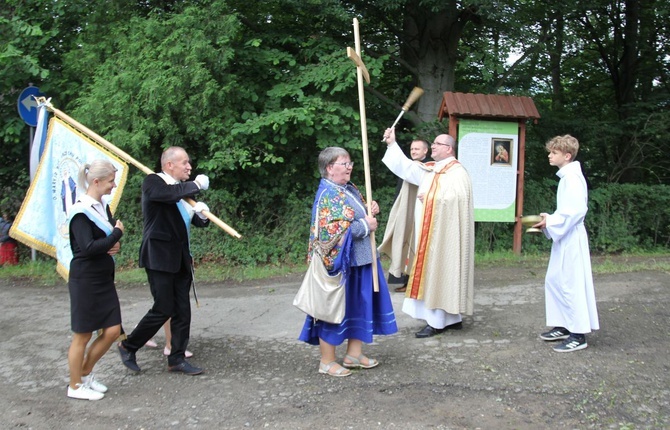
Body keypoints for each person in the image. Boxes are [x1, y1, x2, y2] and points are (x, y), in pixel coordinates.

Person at [298, 147, 398, 377]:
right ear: (330, 168)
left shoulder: (347, 189)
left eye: (350, 163)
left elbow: (354, 215)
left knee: (359, 306)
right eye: (344, 164)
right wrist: (366, 225)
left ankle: (353, 354)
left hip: (360, 260)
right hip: (338, 265)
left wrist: (369, 209)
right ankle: (327, 361)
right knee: (332, 309)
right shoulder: (328, 194)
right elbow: (330, 232)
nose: (350, 167)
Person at [118, 146, 210, 375]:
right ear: (170, 165)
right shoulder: (154, 182)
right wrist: (196, 185)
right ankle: (128, 345)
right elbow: (165, 196)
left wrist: (201, 214)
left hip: (181, 259)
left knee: (182, 310)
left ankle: (176, 358)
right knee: (163, 308)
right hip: (158, 256)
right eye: (185, 162)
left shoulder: (183, 192)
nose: (189, 167)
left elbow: (196, 222)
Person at [382, 128, 474, 338]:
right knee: (437, 273)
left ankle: (437, 322)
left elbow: (457, 199)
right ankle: (451, 319)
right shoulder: (432, 169)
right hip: (430, 234)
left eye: (437, 144)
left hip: (444, 237)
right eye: (433, 143)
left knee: (440, 272)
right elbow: (406, 168)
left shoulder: (457, 172)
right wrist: (392, 144)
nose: (432, 146)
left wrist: (432, 197)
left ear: (449, 148)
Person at [533, 134, 599, 352]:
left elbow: (577, 211)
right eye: (550, 152)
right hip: (565, 235)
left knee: (571, 283)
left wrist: (550, 221)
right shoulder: (566, 177)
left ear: (567, 156)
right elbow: (566, 212)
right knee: (555, 279)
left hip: (572, 237)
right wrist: (549, 218)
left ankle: (578, 334)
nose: (550, 156)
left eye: (554, 152)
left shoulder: (572, 178)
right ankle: (562, 324)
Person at [66, 160, 124, 400]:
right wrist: (117, 234)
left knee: (112, 330)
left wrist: (114, 243)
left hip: (103, 277)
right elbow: (89, 248)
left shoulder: (103, 206)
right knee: (83, 334)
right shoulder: (80, 212)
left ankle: (85, 373)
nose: (113, 185)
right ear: (96, 181)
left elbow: (106, 243)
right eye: (111, 181)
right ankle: (75, 386)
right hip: (85, 279)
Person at [380, 139, 432, 293]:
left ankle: (415, 282)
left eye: (417, 149)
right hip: (407, 212)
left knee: (415, 245)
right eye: (412, 148)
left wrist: (392, 143)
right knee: (403, 242)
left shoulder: (428, 167)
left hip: (421, 214)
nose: (414, 151)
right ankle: (405, 279)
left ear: (425, 151)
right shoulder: (412, 165)